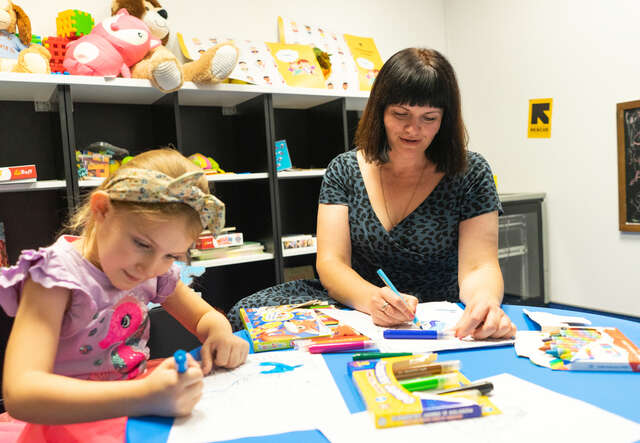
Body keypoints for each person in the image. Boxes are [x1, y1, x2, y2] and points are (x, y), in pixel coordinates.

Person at [229, 47, 516, 340]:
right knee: (246, 312)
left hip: (437, 313)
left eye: (429, 118)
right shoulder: (344, 169)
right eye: (400, 114)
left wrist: (485, 302)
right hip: (358, 304)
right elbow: (331, 263)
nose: (413, 129)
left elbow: (479, 266)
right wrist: (371, 299)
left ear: (446, 120)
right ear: (379, 111)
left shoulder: (470, 172)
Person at [0, 149, 249, 431]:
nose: (151, 268)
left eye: (171, 255)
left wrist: (220, 334)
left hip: (133, 417)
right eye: (142, 244)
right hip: (63, 425)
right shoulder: (55, 278)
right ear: (102, 210)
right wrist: (142, 397)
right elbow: (22, 394)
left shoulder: (152, 270)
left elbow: (204, 318)